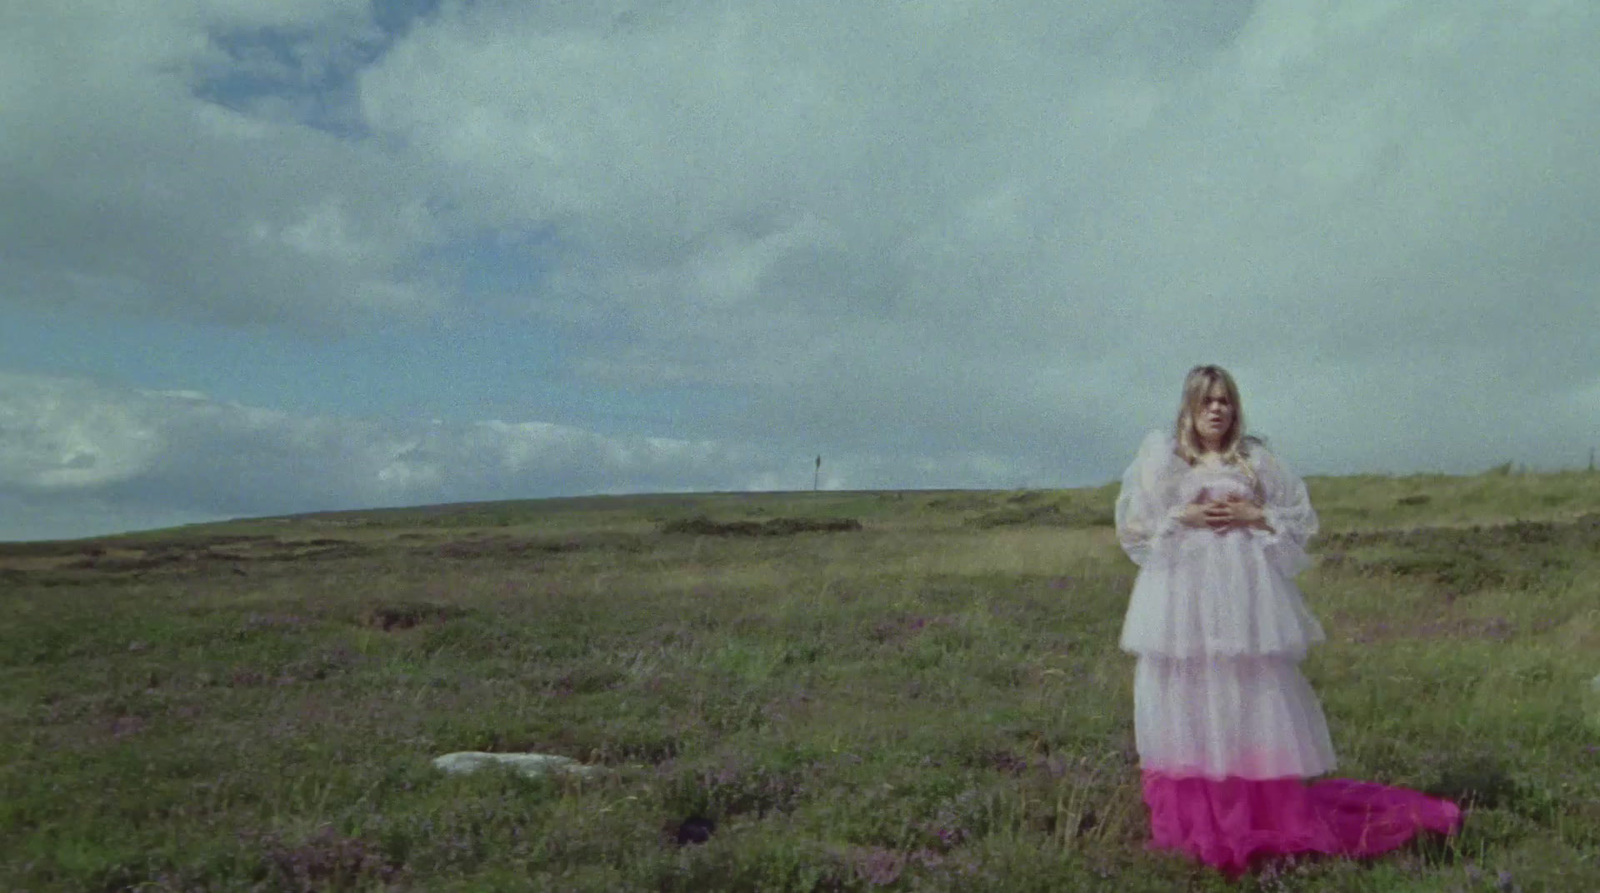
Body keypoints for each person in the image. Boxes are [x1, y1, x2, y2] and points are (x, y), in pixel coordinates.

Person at [1114, 365, 1461, 875]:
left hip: (1246, 596)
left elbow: (1300, 523)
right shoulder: (1164, 459)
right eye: (1207, 401)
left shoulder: (1256, 459)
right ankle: (1199, 818)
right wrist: (1181, 518)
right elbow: (1135, 528)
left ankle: (1257, 810)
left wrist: (1257, 517)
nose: (1217, 409)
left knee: (1247, 692)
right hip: (1183, 597)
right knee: (1191, 690)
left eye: (1225, 401)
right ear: (1189, 408)